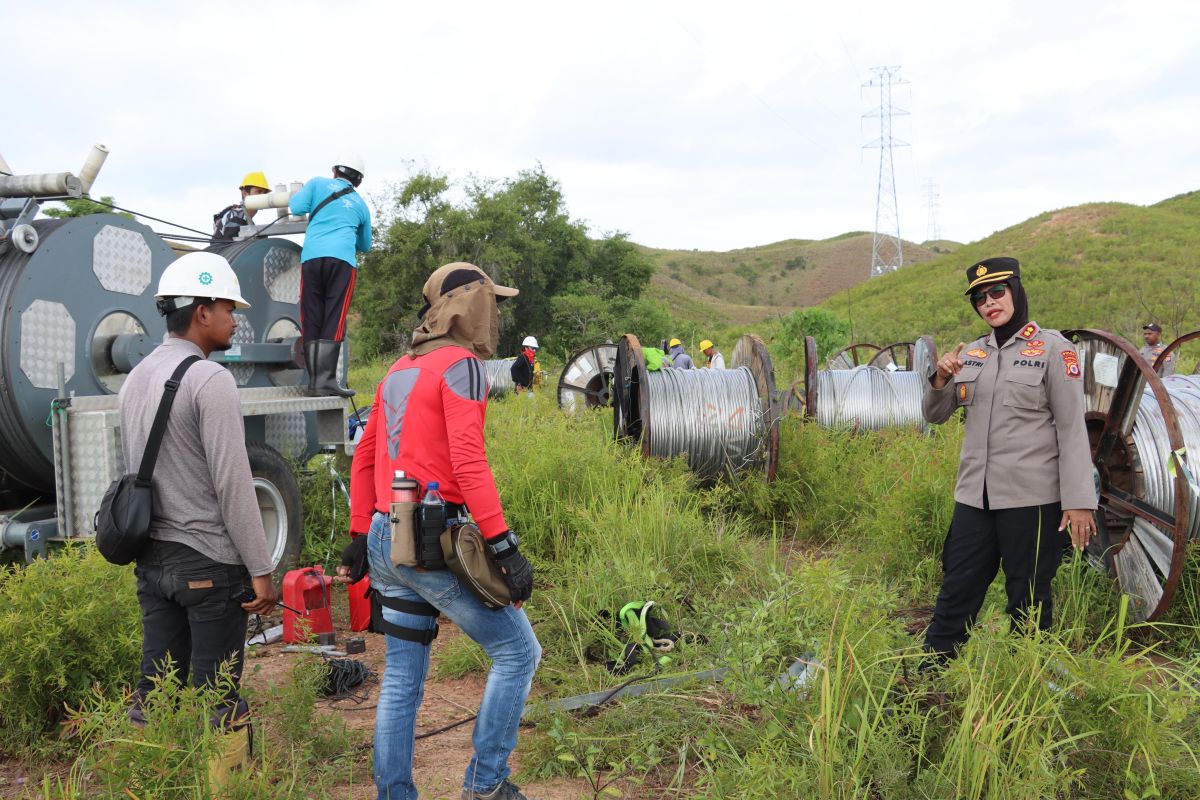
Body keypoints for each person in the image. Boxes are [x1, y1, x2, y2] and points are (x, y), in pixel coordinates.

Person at [340, 262, 540, 800]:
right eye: (491, 301)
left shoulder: (399, 368)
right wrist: (502, 546)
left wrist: (361, 533)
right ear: (470, 304)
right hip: (432, 540)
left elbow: (364, 455)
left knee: (403, 679)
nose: (495, 312)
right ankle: (487, 784)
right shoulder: (464, 366)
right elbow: (469, 462)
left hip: (387, 535)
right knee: (520, 654)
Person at [120, 252, 278, 766]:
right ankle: (226, 787)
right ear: (201, 311)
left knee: (156, 687)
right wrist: (261, 569)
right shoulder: (211, 380)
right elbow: (234, 486)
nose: (235, 319)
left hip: (154, 559)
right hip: (209, 563)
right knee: (218, 699)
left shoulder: (136, 377)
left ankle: (152, 777)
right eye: (229, 308)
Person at [921, 256, 1096, 661]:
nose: (989, 303)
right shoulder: (972, 354)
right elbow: (935, 415)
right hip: (974, 498)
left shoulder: (1054, 349)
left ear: (1015, 290)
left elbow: (1072, 429)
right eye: (980, 298)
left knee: (1029, 598)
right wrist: (941, 379)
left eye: (997, 292)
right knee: (957, 588)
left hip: (1031, 500)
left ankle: (1026, 687)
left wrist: (1079, 501)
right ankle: (928, 681)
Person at [289, 156, 372, 397]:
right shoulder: (361, 205)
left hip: (312, 257)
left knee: (311, 312)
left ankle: (315, 382)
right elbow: (365, 245)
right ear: (359, 180)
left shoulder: (316, 184)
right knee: (334, 315)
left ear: (335, 170)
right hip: (342, 261)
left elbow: (295, 207)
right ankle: (326, 380)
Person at [212, 171, 271, 241]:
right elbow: (229, 248)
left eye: (265, 193)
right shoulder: (236, 216)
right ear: (245, 193)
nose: (263, 196)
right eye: (259, 191)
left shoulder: (245, 219)